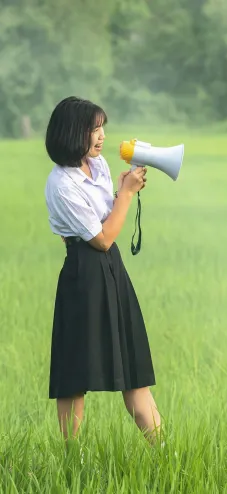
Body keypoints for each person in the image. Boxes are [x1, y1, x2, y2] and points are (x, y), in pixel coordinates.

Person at [44, 96, 162, 446]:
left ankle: (165, 454)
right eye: (94, 129)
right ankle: (70, 457)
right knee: (73, 371)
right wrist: (125, 195)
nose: (102, 137)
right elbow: (103, 238)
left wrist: (123, 191)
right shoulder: (61, 184)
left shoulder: (98, 167)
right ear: (71, 134)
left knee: (134, 369)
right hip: (84, 272)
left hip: (112, 271)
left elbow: (109, 219)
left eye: (102, 128)